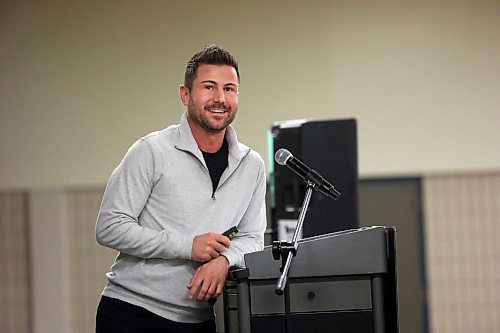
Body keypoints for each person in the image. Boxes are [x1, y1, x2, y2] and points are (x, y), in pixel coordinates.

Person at [95, 45, 267, 333]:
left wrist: (225, 260)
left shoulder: (252, 165)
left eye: (229, 89)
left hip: (200, 320)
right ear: (185, 94)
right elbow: (109, 227)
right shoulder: (151, 151)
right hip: (132, 314)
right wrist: (187, 246)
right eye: (208, 87)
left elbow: (252, 237)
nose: (220, 98)